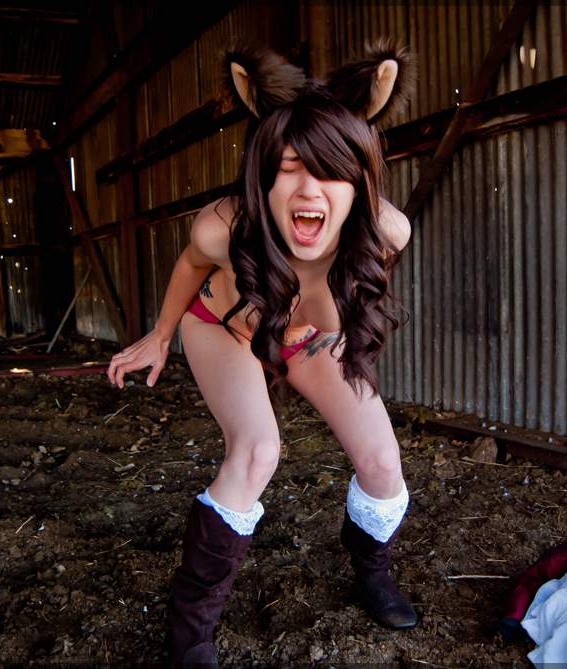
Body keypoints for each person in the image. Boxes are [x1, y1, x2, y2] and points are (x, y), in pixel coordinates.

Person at [106, 41, 418, 668]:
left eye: (330, 170)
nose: (308, 189)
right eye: (289, 167)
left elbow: (343, 296)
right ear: (263, 173)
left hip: (303, 337)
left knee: (384, 462)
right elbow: (190, 266)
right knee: (257, 453)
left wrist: (317, 334)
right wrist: (160, 334)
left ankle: (372, 572)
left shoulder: (387, 232)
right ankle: (191, 627)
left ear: (359, 180)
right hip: (224, 327)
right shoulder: (222, 227)